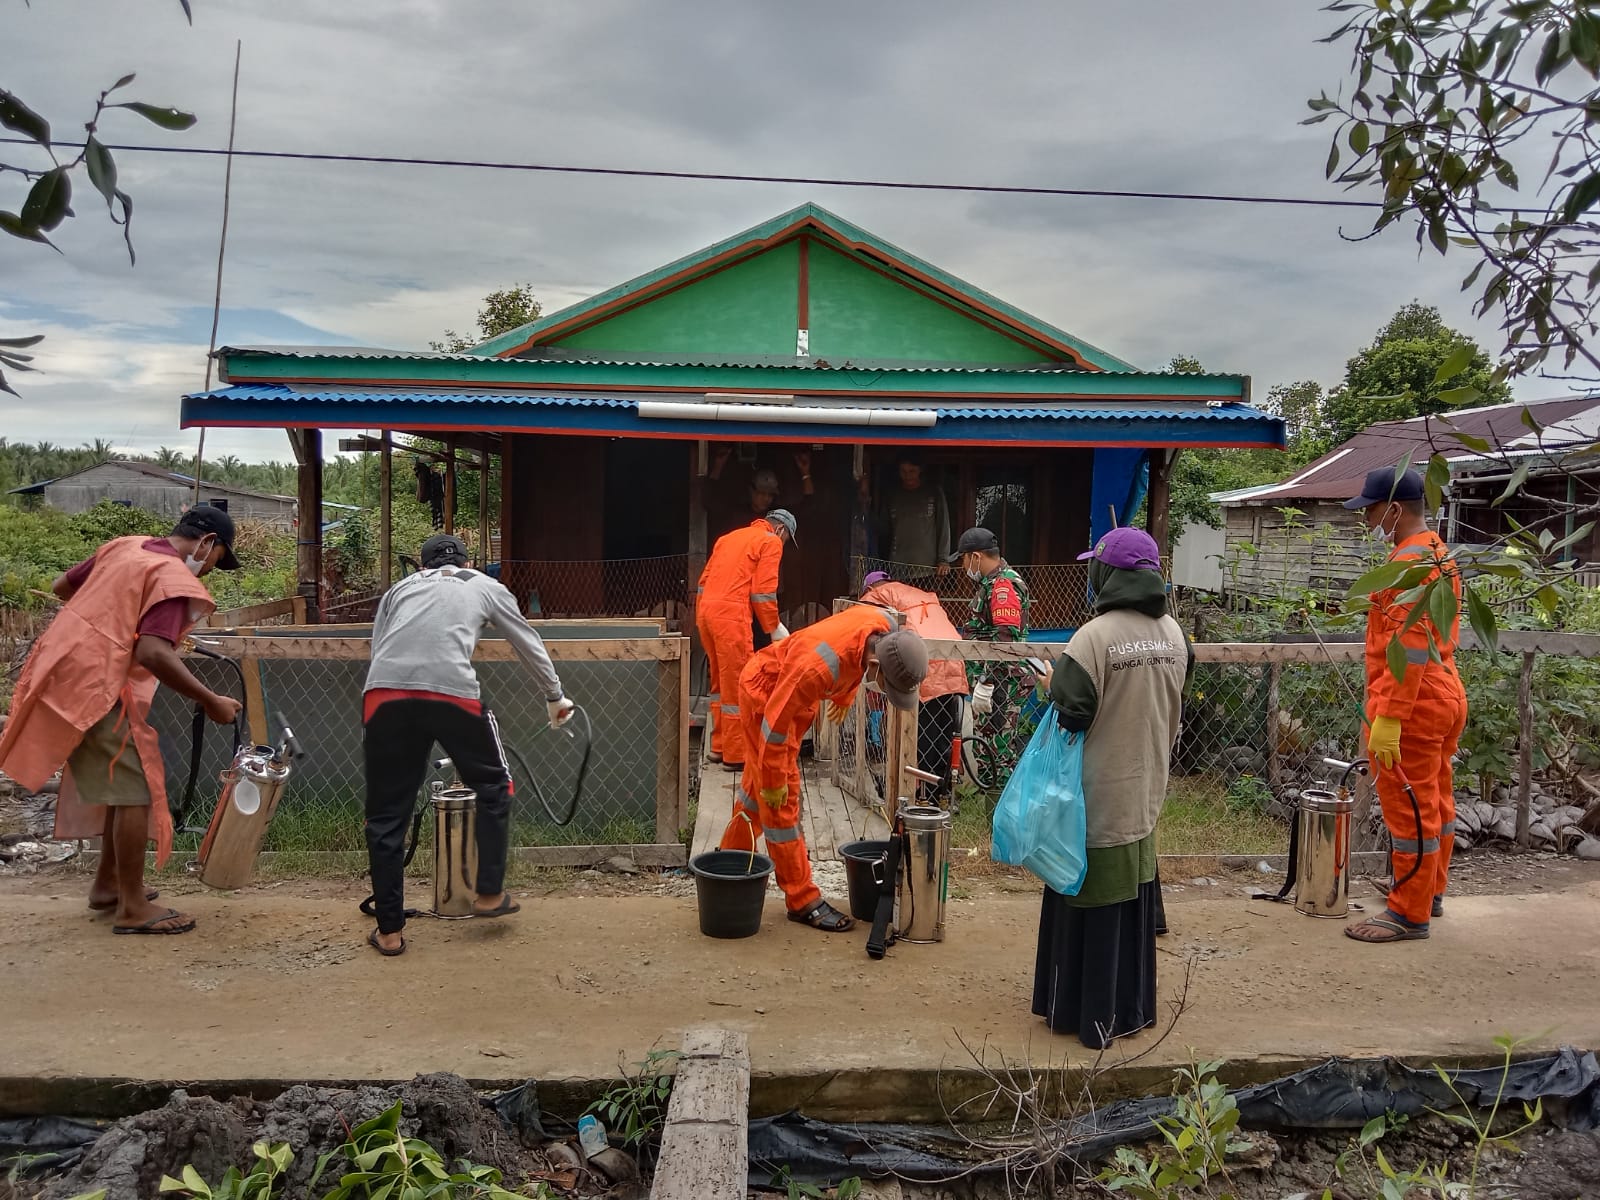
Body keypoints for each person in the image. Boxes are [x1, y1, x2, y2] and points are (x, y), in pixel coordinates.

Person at [0, 505, 244, 936]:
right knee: (134, 791)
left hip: (66, 674)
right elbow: (153, 652)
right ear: (207, 543)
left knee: (120, 786)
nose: (209, 570)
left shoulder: (124, 548)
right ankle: (132, 906)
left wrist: (108, 624)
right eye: (217, 558)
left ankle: (108, 886)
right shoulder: (170, 579)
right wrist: (210, 700)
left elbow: (62, 587)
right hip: (98, 688)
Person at [361, 533, 575, 956]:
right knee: (496, 788)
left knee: (386, 817)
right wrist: (555, 696)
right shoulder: (483, 584)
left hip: (384, 694)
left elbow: (378, 644)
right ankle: (490, 894)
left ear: (422, 566)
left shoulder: (399, 589)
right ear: (466, 561)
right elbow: (525, 639)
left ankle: (389, 932)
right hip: (450, 693)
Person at [1033, 527, 1191, 1047]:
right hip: (1145, 791)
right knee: (1132, 899)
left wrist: (1051, 686)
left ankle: (1084, 1013)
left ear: (1106, 575)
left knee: (1090, 895)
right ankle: (1128, 1009)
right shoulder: (1173, 633)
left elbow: (1074, 715)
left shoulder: (1093, 637)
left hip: (1095, 793)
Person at [720, 606, 927, 931]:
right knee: (779, 801)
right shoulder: (816, 669)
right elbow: (774, 726)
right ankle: (802, 899)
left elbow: (852, 646)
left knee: (753, 795)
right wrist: (774, 780)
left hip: (795, 696)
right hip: (767, 695)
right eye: (887, 685)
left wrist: (844, 696)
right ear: (875, 664)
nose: (885, 693)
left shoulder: (885, 628)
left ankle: (728, 862)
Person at [1341, 467, 1468, 945]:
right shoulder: (1439, 554)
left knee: (1408, 810)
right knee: (1435, 800)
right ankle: (1429, 891)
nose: (1369, 518)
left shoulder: (1407, 565)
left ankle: (1408, 913)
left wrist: (1389, 716)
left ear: (1394, 509)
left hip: (1412, 702)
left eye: (1372, 509)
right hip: (1444, 692)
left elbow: (1409, 646)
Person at [695, 510, 796, 773]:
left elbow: (703, 584)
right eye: (786, 541)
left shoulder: (728, 538)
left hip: (706, 613)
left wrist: (705, 615)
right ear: (781, 531)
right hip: (731, 616)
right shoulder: (770, 542)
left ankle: (718, 747)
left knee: (719, 682)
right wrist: (773, 628)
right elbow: (762, 592)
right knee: (740, 684)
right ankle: (736, 755)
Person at [859, 570, 967, 805]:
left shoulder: (878, 595)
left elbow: (860, 618)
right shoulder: (912, 593)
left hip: (923, 665)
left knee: (922, 737)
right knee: (943, 735)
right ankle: (942, 794)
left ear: (869, 589)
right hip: (955, 661)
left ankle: (923, 796)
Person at [950, 526, 1032, 758]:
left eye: (964, 560)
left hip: (1001, 684)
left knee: (995, 753)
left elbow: (1004, 640)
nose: (963, 567)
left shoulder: (1002, 586)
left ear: (975, 556)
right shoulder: (993, 583)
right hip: (996, 681)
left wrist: (987, 684)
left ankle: (997, 794)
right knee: (989, 746)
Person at [884, 456, 951, 581]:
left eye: (912, 471)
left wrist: (943, 559)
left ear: (920, 470)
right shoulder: (893, 495)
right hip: (897, 566)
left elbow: (943, 526)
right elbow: (885, 529)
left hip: (926, 568)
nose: (907, 476)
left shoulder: (933, 492)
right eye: (903, 471)